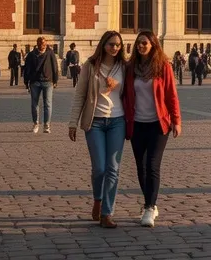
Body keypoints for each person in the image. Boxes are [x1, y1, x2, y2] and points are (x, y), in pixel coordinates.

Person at [67, 31, 127, 228]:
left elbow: (132, 91)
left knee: (113, 168)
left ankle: (107, 213)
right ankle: (98, 199)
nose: (115, 48)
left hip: (117, 121)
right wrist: (73, 123)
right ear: (103, 45)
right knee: (99, 168)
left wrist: (117, 84)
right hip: (95, 122)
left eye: (118, 44)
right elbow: (80, 95)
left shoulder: (124, 66)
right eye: (111, 44)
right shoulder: (90, 65)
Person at [123, 31, 181, 228]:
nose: (141, 46)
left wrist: (176, 120)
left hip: (158, 124)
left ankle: (149, 207)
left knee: (152, 164)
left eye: (145, 43)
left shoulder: (163, 66)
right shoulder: (130, 68)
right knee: (140, 167)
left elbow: (171, 94)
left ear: (153, 45)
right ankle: (149, 201)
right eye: (139, 43)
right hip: (137, 123)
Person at [23, 37, 59, 133]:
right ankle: (36, 123)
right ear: (37, 44)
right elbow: (27, 68)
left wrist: (55, 80)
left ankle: (46, 125)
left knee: (48, 104)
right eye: (40, 44)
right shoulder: (31, 54)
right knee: (34, 104)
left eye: (44, 44)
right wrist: (26, 82)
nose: (42, 46)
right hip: (35, 82)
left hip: (48, 81)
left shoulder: (50, 53)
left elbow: (55, 66)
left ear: (46, 44)